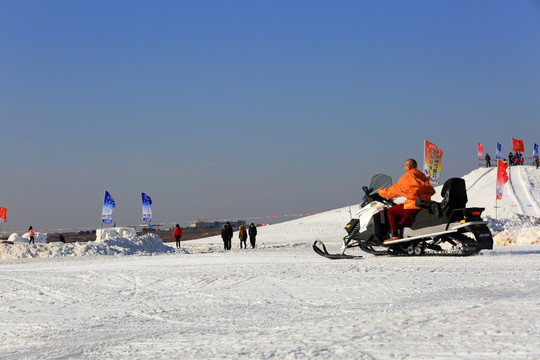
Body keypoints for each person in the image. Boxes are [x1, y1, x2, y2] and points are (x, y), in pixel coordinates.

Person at [377, 158, 436, 242]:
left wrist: (380, 192)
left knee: (391, 211)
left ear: (408, 167)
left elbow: (395, 190)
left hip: (413, 205)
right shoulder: (421, 175)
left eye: (403, 166)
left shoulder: (408, 176)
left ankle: (395, 235)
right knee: (399, 206)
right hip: (424, 203)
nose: (403, 168)